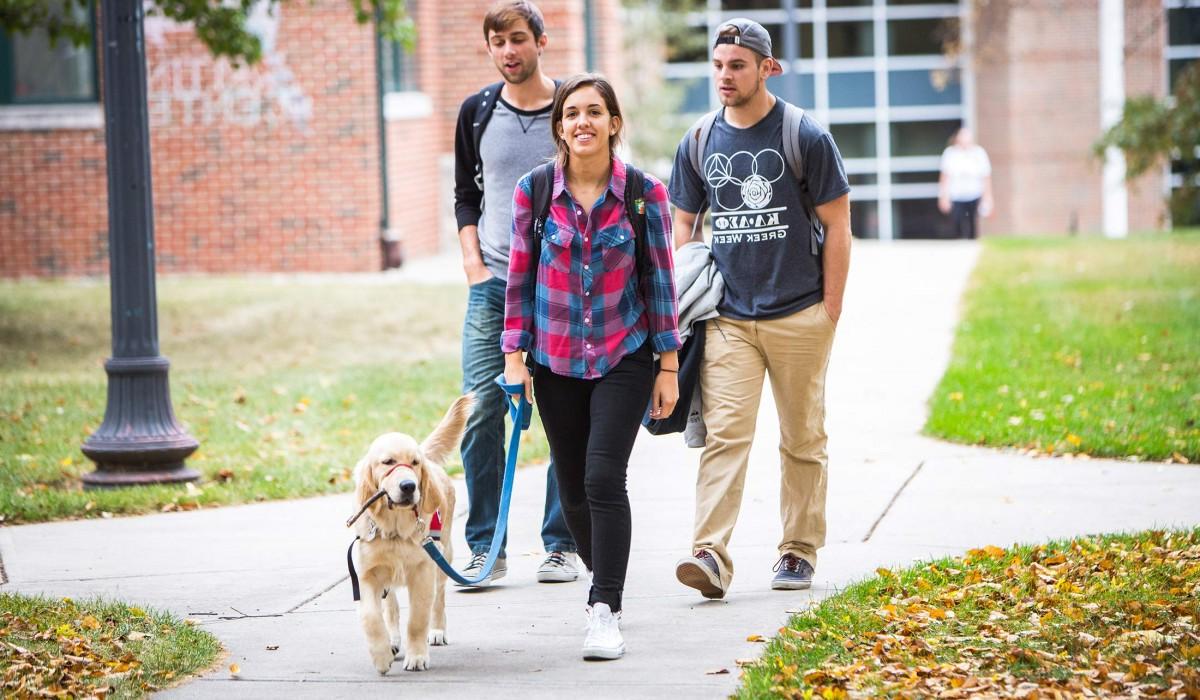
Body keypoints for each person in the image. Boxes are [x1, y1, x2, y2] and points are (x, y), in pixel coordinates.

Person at [667, 18, 851, 600]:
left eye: (737, 65)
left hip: (799, 312)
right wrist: (686, 297)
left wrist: (830, 311)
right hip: (728, 317)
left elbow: (839, 227)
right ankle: (710, 555)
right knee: (724, 436)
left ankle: (797, 552)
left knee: (802, 438)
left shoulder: (804, 136)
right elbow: (683, 229)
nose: (725, 75)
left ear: (767, 68)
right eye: (719, 64)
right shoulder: (698, 141)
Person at [502, 73, 681, 660]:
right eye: (571, 113)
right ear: (559, 126)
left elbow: (660, 279)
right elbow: (519, 281)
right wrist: (514, 358)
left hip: (622, 353)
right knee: (572, 483)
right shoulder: (533, 192)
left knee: (604, 477)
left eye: (594, 112)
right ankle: (602, 576)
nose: (583, 122)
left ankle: (605, 606)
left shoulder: (643, 195)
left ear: (614, 123)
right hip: (553, 359)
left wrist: (668, 364)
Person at [452, 0, 576, 587]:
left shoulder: (573, 107)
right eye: (498, 42)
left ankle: (560, 544)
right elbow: (465, 196)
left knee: (562, 414)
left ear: (541, 41)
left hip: (562, 288)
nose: (509, 52)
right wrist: (474, 264)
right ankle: (486, 546)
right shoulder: (476, 111)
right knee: (480, 412)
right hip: (494, 286)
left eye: (519, 39)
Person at [938, 127, 993, 239]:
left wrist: (988, 198)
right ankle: (959, 242)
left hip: (974, 193)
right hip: (956, 194)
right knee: (957, 221)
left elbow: (986, 177)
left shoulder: (979, 153)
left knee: (973, 221)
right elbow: (945, 177)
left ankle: (972, 244)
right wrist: (943, 196)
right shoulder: (950, 154)